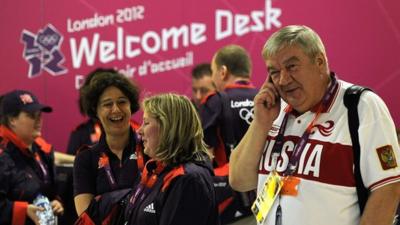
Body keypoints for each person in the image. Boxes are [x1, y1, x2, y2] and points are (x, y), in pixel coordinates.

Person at [229, 25, 400, 225]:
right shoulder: (272, 112)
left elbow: (388, 189)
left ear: (319, 61)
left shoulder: (361, 106)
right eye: (274, 72)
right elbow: (239, 181)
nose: (283, 80)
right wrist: (260, 123)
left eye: (292, 66)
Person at [125, 93, 219, 225]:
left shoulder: (188, 179)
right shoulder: (158, 169)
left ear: (168, 128)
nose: (139, 130)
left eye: (146, 123)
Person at [199, 44, 258, 224]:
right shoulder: (268, 98)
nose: (213, 78)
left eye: (213, 72)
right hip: (271, 194)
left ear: (223, 71)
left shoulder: (215, 102)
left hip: (234, 201)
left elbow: (202, 153)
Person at [73, 70, 143, 216]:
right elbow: (86, 218)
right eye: (107, 104)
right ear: (96, 111)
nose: (116, 109)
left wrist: (104, 202)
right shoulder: (85, 159)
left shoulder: (150, 148)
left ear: (131, 106)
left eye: (122, 102)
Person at [0, 90, 64, 225]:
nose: (38, 120)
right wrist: (23, 211)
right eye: (31, 115)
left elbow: (49, 191)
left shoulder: (42, 150)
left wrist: (56, 202)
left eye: (39, 115)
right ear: (12, 120)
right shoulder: (2, 155)